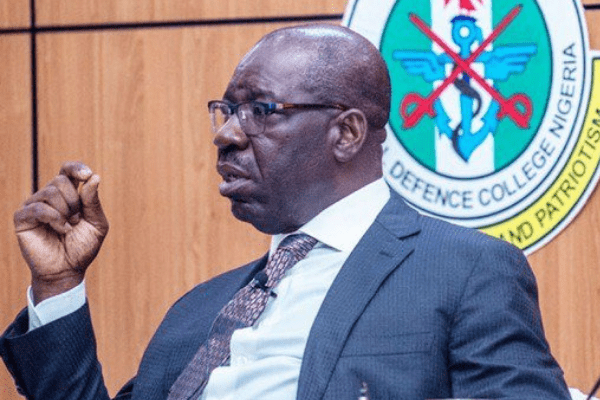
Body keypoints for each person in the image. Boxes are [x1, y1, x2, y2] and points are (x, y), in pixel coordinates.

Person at [0, 23, 570, 400]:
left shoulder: (465, 271)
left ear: (346, 133)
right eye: (227, 110)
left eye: (261, 110)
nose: (226, 134)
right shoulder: (197, 311)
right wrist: (58, 286)